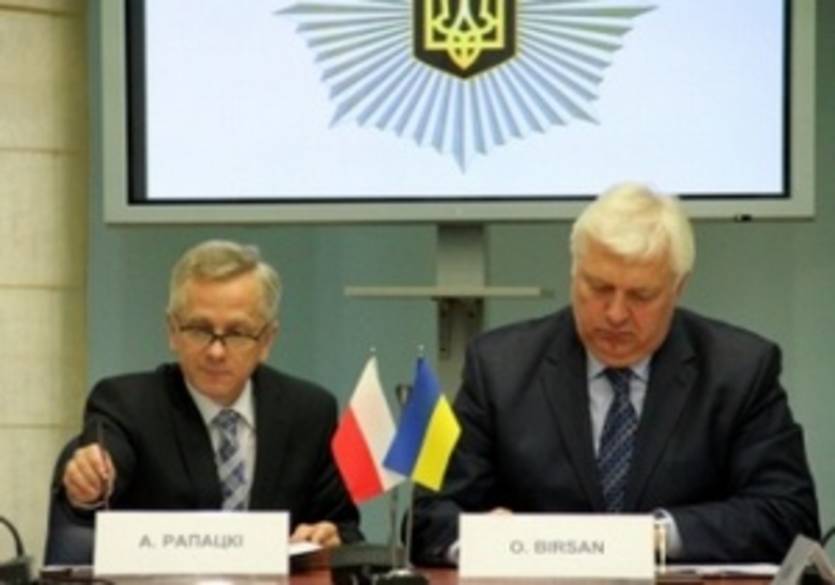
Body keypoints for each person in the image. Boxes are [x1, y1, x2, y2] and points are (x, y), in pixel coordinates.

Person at [411, 183, 819, 564]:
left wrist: (655, 536)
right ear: (574, 275)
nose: (616, 314)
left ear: (678, 288)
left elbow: (789, 516)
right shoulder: (497, 366)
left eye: (641, 295)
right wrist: (485, 539)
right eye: (599, 288)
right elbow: (426, 516)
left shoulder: (740, 370)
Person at [61, 240, 361, 546]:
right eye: (199, 330)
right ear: (172, 331)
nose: (216, 352)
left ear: (267, 341)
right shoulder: (126, 404)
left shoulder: (309, 413)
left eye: (237, 333)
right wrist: (90, 483)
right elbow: (101, 481)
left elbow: (344, 528)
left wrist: (329, 537)